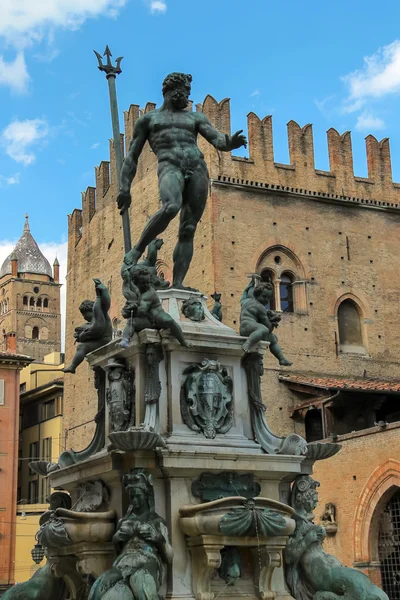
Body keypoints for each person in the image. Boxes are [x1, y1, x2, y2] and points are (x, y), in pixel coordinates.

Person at [117, 72, 247, 289]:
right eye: (184, 91)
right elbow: (131, 156)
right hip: (169, 166)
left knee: (188, 228)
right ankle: (139, 248)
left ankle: (177, 284)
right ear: (170, 91)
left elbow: (216, 139)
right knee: (171, 206)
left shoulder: (195, 118)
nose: (187, 96)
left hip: (197, 169)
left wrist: (230, 142)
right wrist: (124, 187)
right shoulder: (149, 120)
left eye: (188, 92)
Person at [63, 279, 112, 373]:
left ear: (89, 311)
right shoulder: (97, 315)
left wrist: (83, 335)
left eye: (84, 315)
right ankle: (72, 366)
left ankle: (73, 367)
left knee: (82, 347)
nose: (84, 318)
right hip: (101, 340)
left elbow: (97, 329)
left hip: (104, 340)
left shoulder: (98, 312)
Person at [240, 279, 292, 365]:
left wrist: (248, 288)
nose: (266, 300)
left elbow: (243, 297)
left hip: (248, 328)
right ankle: (248, 343)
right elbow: (267, 327)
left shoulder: (246, 301)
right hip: (248, 328)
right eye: (264, 296)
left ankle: (281, 358)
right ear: (257, 294)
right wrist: (273, 321)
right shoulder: (260, 308)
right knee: (264, 330)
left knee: (273, 338)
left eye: (269, 298)